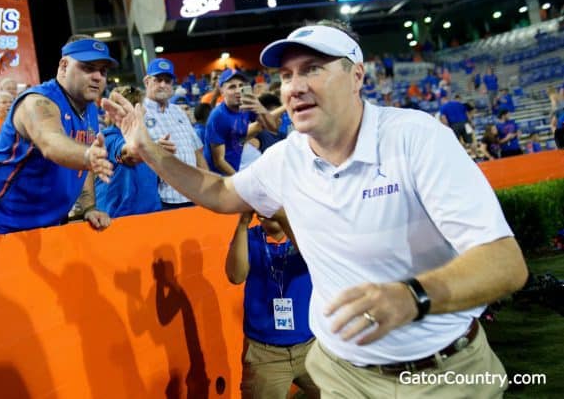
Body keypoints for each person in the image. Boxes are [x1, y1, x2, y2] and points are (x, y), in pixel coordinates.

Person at [105, 21, 528, 398]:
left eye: (313, 69)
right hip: (341, 374)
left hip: (444, 374)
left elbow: (505, 264)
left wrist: (412, 295)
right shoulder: (286, 158)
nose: (294, 86)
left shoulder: (416, 139)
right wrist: (147, 151)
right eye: (286, 75)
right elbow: (219, 192)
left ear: (356, 75)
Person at [0, 35, 115, 239]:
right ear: (63, 66)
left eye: (103, 71)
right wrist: (87, 155)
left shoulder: (89, 108)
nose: (98, 77)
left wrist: (88, 206)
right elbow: (51, 142)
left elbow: (85, 164)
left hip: (36, 224)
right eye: (88, 68)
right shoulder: (37, 102)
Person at [226, 209, 319, 399]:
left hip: (312, 347)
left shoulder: (305, 234)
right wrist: (242, 225)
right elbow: (236, 276)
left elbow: (312, 256)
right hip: (265, 355)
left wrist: (285, 218)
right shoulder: (249, 239)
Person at [94, 86, 174, 218]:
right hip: (119, 220)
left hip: (151, 217)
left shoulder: (147, 141)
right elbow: (127, 154)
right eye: (140, 106)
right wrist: (149, 150)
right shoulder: (109, 139)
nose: (144, 110)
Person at [142, 58, 208, 209]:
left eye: (167, 81)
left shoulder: (178, 111)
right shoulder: (140, 112)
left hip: (194, 194)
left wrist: (208, 188)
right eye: (158, 80)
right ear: (147, 81)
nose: (163, 85)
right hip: (163, 199)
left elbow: (197, 152)